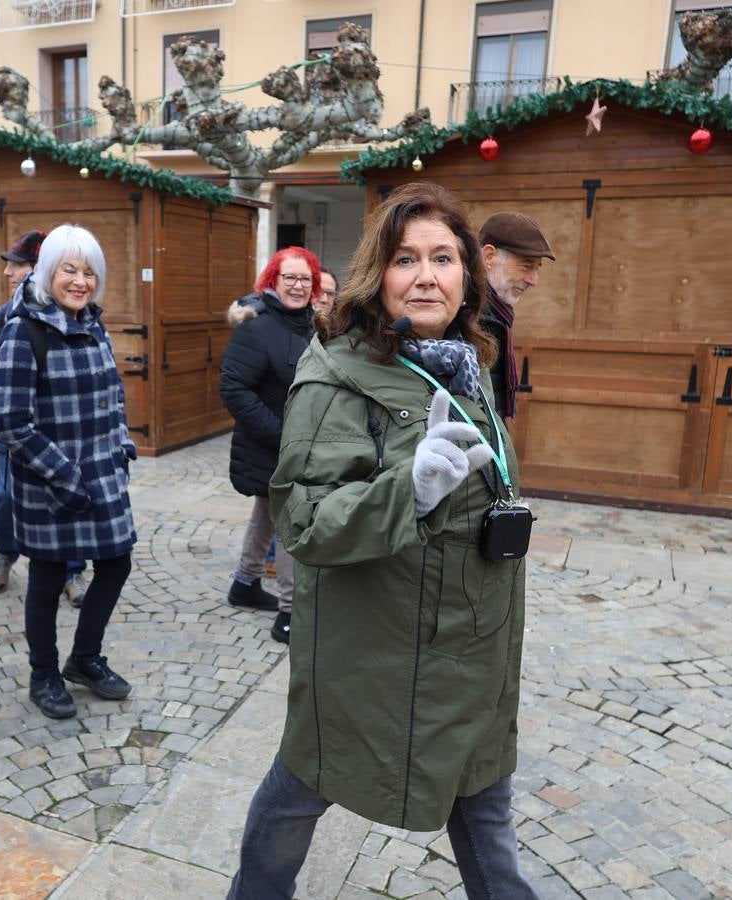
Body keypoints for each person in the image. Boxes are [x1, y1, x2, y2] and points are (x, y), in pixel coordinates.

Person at [228, 182, 532, 899]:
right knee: (302, 786)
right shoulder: (335, 371)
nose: (426, 275)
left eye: (443, 258)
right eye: (405, 259)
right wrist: (410, 490)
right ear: (379, 275)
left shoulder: (472, 365)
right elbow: (302, 520)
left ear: (467, 278)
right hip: (374, 648)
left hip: (473, 639)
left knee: (485, 805)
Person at [0, 225, 138, 721]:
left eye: (89, 271)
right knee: (49, 578)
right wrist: (63, 475)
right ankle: (44, 673)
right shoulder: (23, 329)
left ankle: (84, 659)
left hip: (102, 473)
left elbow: (112, 395)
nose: (80, 281)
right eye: (69, 270)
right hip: (51, 483)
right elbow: (10, 423)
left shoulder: (94, 325)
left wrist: (122, 443)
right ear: (48, 272)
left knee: (117, 563)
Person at [0, 230, 89, 602]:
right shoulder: (4, 314)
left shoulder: (77, 317)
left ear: (38, 271)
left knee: (71, 496)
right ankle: (6, 553)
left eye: (17, 265)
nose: (8, 272)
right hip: (16, 430)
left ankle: (73, 570)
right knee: (4, 498)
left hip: (63, 430)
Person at [217, 247, 318, 643]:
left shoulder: (309, 324)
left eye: (305, 278)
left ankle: (245, 581)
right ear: (272, 281)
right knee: (291, 518)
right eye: (289, 277)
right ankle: (289, 613)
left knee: (267, 509)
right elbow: (234, 388)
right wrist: (280, 434)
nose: (297, 285)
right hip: (272, 443)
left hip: (292, 444)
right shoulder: (256, 328)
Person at [478, 212, 554, 420]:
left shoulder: (495, 315)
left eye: (537, 268)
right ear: (489, 257)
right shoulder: (463, 315)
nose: (534, 280)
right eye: (526, 265)